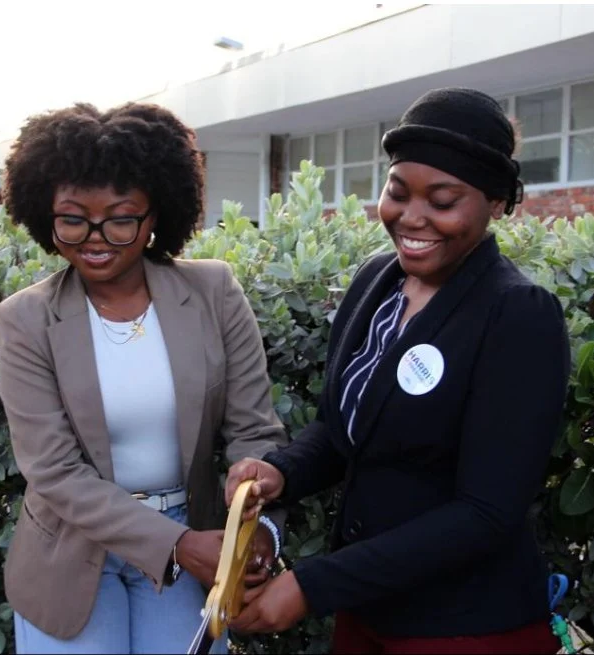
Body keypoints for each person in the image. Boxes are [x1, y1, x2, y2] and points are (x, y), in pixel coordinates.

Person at [225, 88, 571, 653]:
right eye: (398, 192)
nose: (412, 218)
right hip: (370, 612)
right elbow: (342, 432)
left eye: (442, 200)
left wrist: (312, 586)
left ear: (497, 204)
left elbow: (486, 513)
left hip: (464, 626)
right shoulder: (377, 282)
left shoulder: (516, 312)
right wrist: (280, 473)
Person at [0, 102, 288, 654]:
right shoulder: (25, 319)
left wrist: (255, 510)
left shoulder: (214, 293)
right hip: (72, 552)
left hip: (195, 531)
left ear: (157, 215)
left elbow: (255, 429)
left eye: (122, 217)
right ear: (43, 213)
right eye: (73, 218)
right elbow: (54, 471)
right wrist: (174, 545)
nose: (95, 237)